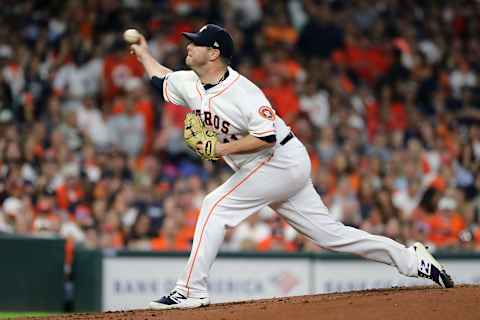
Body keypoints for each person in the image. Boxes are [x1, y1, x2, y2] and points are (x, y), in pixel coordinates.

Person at [129, 24, 454, 310]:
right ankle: (413, 261)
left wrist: (220, 148)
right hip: (270, 167)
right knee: (332, 236)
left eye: (196, 42)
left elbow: (267, 137)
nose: (188, 46)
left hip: (278, 160)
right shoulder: (190, 83)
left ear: (214, 54)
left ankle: (189, 290)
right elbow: (161, 79)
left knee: (214, 205)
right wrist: (143, 53)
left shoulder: (243, 93)